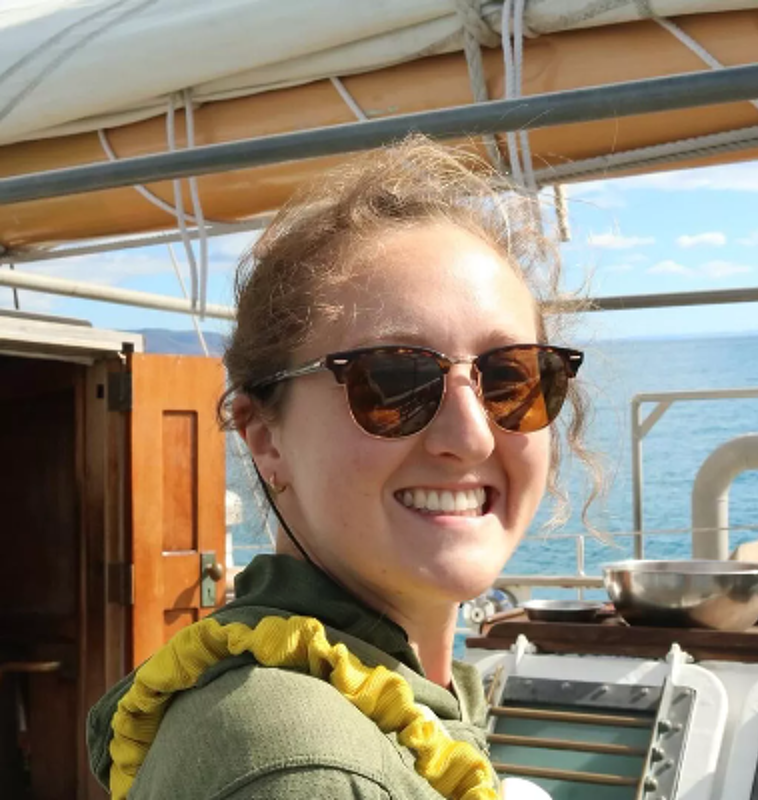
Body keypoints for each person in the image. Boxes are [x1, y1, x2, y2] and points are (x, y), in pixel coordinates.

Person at [87, 136, 595, 799]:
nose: (470, 438)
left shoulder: (393, 694)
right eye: (393, 383)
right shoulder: (307, 767)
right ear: (265, 437)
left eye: (509, 379)